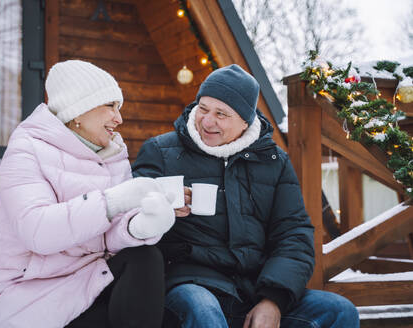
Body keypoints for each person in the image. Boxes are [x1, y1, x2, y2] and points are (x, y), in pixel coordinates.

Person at [132, 64, 360, 328]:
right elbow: (128, 213)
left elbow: (293, 234)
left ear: (245, 121)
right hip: (188, 283)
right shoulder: (161, 151)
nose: (207, 121)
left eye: (221, 114)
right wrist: (158, 208)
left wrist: (273, 300)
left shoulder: (274, 161)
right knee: (202, 309)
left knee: (339, 311)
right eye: (203, 108)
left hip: (254, 288)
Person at [0, 60, 176, 328]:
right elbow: (38, 231)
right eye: (110, 106)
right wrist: (113, 201)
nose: (119, 119)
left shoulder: (111, 155)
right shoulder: (27, 150)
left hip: (87, 278)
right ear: (78, 112)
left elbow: (108, 239)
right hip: (31, 295)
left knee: (145, 257)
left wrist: (139, 227)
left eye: (119, 108)